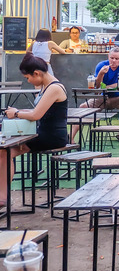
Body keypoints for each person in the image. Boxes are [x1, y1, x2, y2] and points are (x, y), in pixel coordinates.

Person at [1, 54, 68, 207]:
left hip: (52, 136)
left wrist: (16, 113)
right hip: (42, 133)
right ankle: (3, 195)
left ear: (36, 73)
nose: (28, 81)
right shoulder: (46, 86)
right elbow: (38, 111)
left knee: (6, 151)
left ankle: (2, 197)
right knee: (4, 151)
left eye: (27, 78)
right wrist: (19, 111)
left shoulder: (54, 88)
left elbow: (36, 115)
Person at [74, 47, 119, 142]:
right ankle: (71, 137)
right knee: (83, 107)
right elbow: (97, 87)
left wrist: (106, 87)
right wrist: (100, 74)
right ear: (108, 57)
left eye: (116, 59)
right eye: (111, 58)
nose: (113, 61)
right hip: (103, 98)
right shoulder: (101, 65)